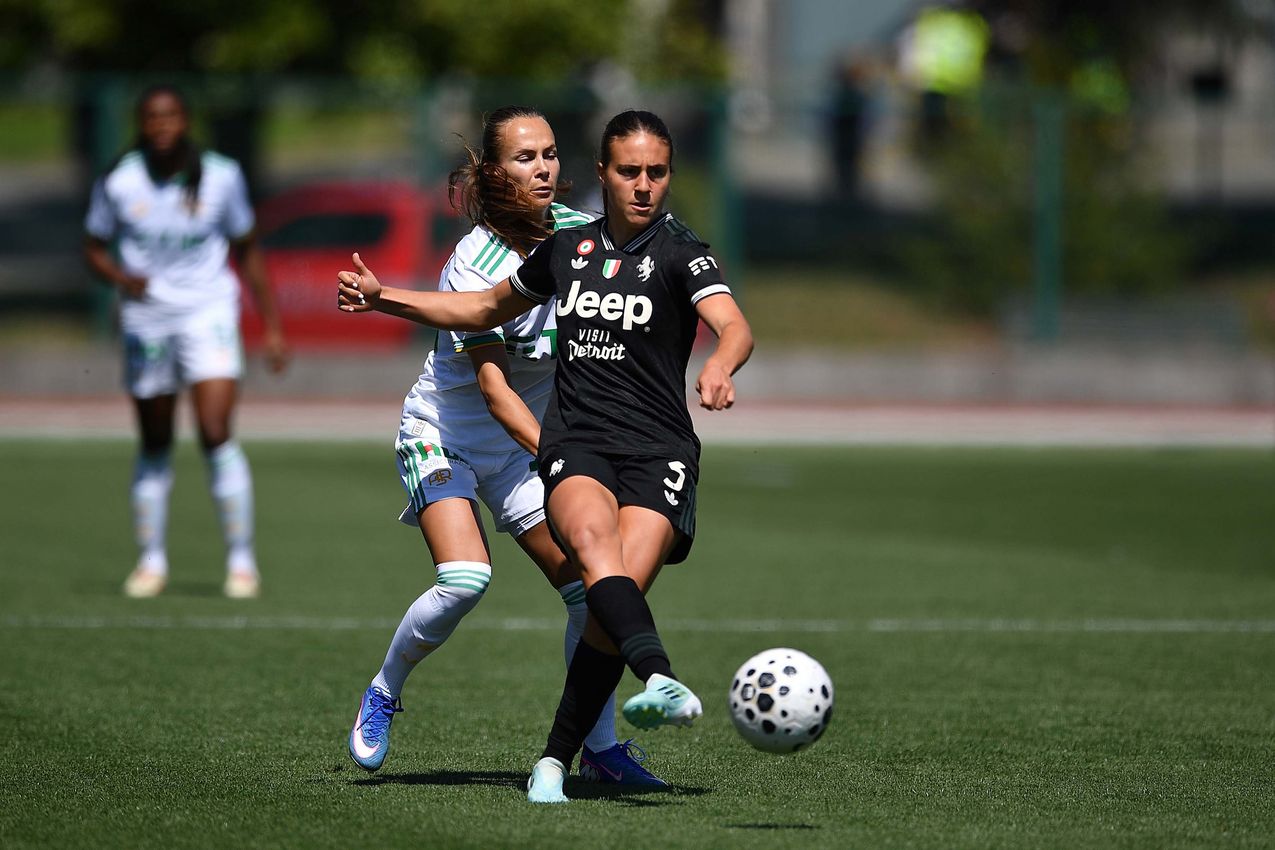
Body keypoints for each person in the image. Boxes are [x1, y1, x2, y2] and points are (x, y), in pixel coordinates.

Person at [336, 109, 754, 803]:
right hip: (449, 432)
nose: (543, 168)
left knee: (589, 594)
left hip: (532, 445)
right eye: (526, 157)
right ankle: (385, 690)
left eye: (551, 154)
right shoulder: (472, 259)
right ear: (495, 173)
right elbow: (496, 392)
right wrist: (572, 453)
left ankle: (596, 750)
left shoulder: (578, 234)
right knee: (466, 578)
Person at [83, 84, 287, 600]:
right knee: (155, 440)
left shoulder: (222, 176)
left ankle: (242, 563)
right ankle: (151, 562)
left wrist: (272, 326)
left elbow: (249, 250)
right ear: (140, 123)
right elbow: (93, 247)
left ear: (186, 120)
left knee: (215, 430)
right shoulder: (119, 179)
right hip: (146, 319)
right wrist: (121, 279)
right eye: (152, 117)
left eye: (171, 115)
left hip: (208, 312)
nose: (162, 125)